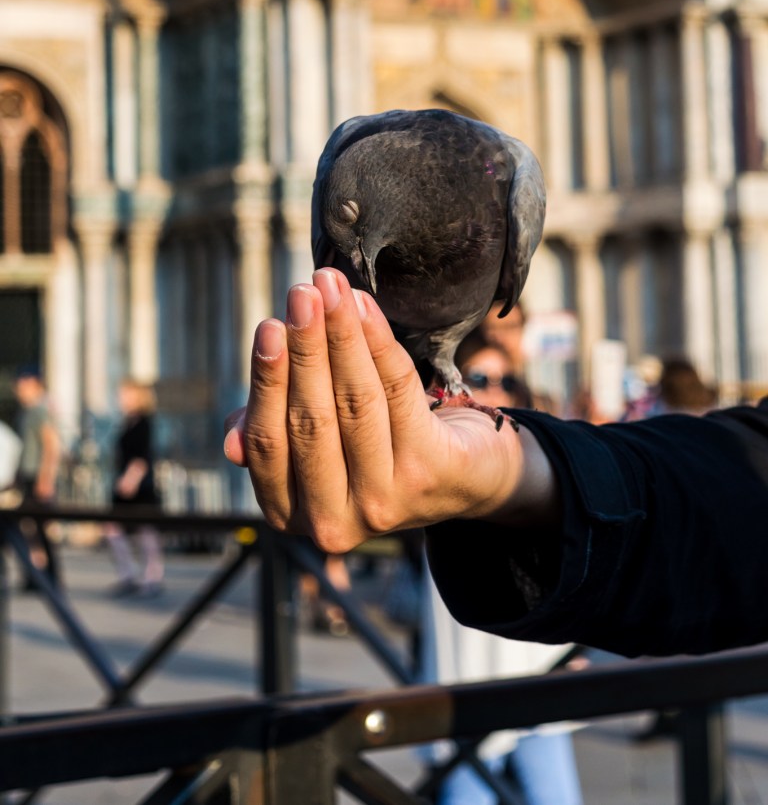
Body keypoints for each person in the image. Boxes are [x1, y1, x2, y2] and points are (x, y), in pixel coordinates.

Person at [224, 268, 768, 659]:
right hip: (471, 646)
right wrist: (517, 468)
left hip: (531, 667)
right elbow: (732, 482)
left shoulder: (530, 384)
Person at [421, 332, 583, 805]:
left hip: (537, 677)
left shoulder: (542, 462)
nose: (493, 389)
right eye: (479, 378)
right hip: (464, 688)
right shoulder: (434, 461)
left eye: (505, 380)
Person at [104, 380, 164, 597]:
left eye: (125, 395)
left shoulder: (144, 423)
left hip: (138, 486)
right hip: (124, 485)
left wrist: (130, 479)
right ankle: (128, 575)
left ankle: (152, 577)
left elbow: (142, 457)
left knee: (146, 532)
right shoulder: (126, 422)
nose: (120, 400)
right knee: (113, 529)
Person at [13, 368, 62, 589]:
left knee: (40, 529)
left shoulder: (41, 411)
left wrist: (46, 479)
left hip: (38, 476)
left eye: (23, 386)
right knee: (28, 529)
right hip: (27, 474)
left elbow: (51, 445)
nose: (19, 391)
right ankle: (35, 574)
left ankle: (49, 577)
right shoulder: (27, 412)